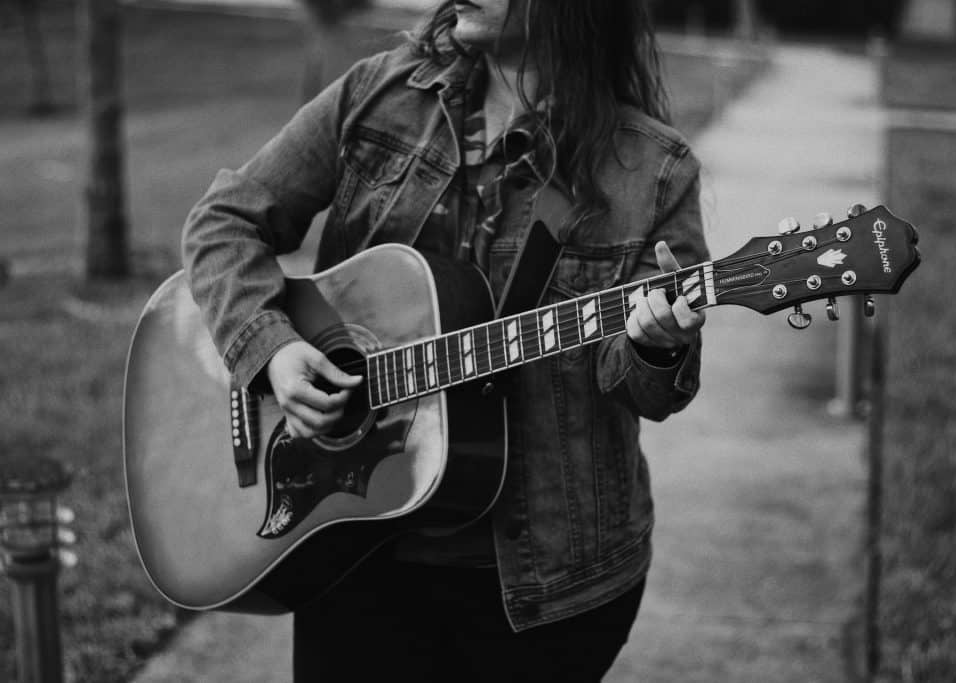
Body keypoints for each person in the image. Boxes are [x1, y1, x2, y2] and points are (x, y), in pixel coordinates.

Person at [182, 1, 708, 680]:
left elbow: (648, 388)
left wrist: (657, 345)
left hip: (543, 585)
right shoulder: (380, 96)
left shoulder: (652, 170)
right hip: (357, 547)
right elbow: (224, 220)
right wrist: (271, 347)